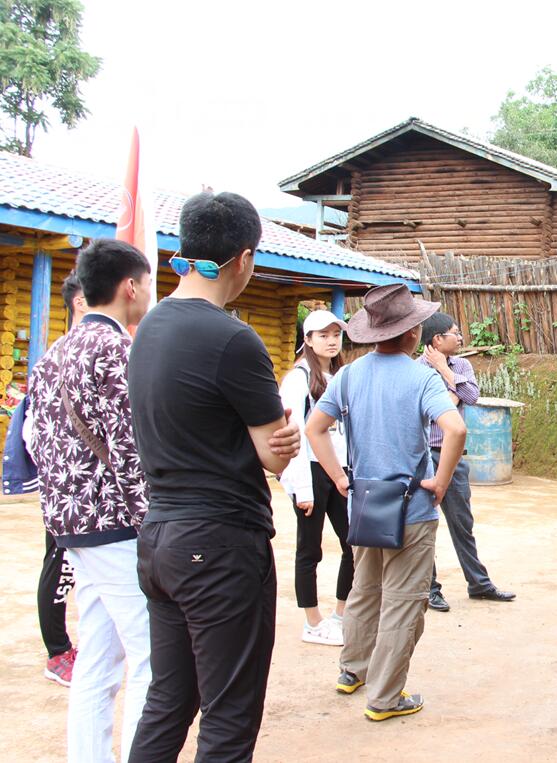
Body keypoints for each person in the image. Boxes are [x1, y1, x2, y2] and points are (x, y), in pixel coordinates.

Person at [127, 191, 301, 761]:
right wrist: (285, 440)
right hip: (220, 546)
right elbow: (274, 456)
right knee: (229, 716)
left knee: (169, 700)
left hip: (160, 540)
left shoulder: (150, 326)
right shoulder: (233, 338)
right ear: (245, 258)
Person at [307, 284, 465, 722]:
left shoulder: (348, 375)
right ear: (412, 333)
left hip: (365, 504)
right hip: (411, 508)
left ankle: (352, 671)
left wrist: (340, 477)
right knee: (403, 601)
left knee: (364, 590)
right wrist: (440, 481)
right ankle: (385, 697)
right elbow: (455, 429)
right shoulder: (422, 378)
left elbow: (315, 428)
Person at [26, 241, 153, 762]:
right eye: (148, 283)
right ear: (130, 286)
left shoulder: (55, 353)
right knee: (152, 658)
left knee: (99, 658)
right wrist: (154, 523)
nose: (150, 293)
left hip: (70, 525)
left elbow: (34, 441)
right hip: (116, 525)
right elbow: (131, 450)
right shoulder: (117, 351)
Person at [417, 313, 515, 611]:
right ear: (437, 339)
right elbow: (433, 410)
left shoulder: (461, 365)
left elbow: (471, 396)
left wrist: (444, 371)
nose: (460, 338)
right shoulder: (415, 370)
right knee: (424, 525)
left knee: (462, 523)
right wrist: (451, 394)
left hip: (454, 456)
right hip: (424, 456)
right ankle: (429, 589)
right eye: (455, 333)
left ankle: (479, 584)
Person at [278, 309, 352, 646]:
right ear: (307, 340)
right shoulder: (298, 379)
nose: (331, 341)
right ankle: (312, 621)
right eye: (323, 335)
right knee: (309, 549)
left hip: (340, 470)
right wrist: (302, 488)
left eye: (336, 335)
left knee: (353, 542)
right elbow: (294, 433)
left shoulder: (341, 375)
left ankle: (342, 614)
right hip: (310, 469)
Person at [36, 271, 85, 686]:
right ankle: (57, 651)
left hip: (73, 486)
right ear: (80, 302)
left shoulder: (67, 353)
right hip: (68, 487)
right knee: (59, 566)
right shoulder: (62, 356)